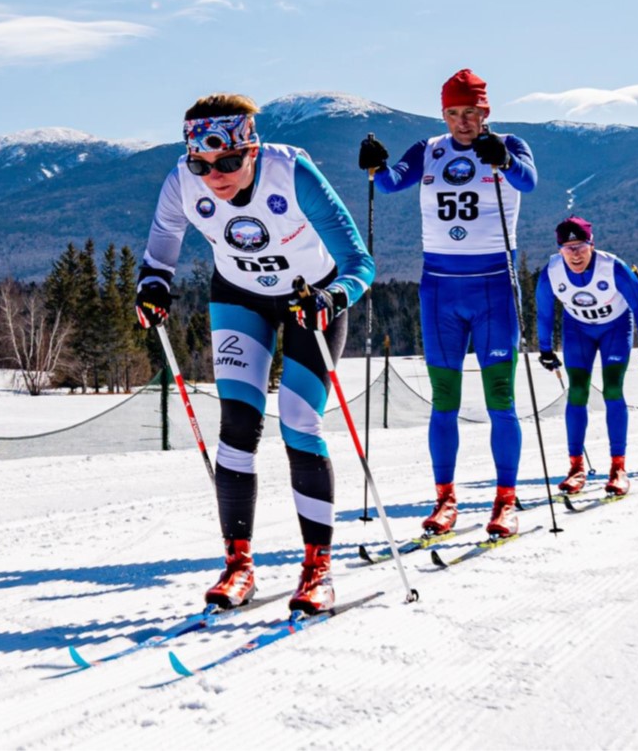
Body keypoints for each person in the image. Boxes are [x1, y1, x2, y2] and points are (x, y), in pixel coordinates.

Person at [136, 93, 374, 615]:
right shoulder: (182, 181)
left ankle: (317, 568)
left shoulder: (292, 175)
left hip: (310, 299)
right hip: (239, 298)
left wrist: (332, 299)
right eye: (202, 164)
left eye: (227, 162)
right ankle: (238, 564)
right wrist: (153, 286)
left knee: (298, 422)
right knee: (238, 426)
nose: (214, 175)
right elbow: (162, 246)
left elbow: (360, 262)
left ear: (251, 149)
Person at [357, 69, 537, 538]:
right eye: (454, 113)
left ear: (485, 112)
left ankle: (505, 500)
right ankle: (445, 499)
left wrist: (504, 162)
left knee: (501, 398)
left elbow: (530, 183)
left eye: (471, 112)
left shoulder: (510, 144)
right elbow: (394, 183)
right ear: (444, 114)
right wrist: (376, 166)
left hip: (494, 285)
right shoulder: (430, 149)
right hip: (439, 288)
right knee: (444, 401)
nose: (462, 122)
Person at [534, 217, 638, 496]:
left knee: (613, 389)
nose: (575, 254)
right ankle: (575, 467)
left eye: (580, 246)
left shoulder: (612, 267)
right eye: (568, 249)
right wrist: (545, 349)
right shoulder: (552, 273)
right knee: (577, 392)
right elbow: (544, 312)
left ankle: (618, 467)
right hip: (577, 330)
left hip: (615, 328)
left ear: (592, 245)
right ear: (559, 251)